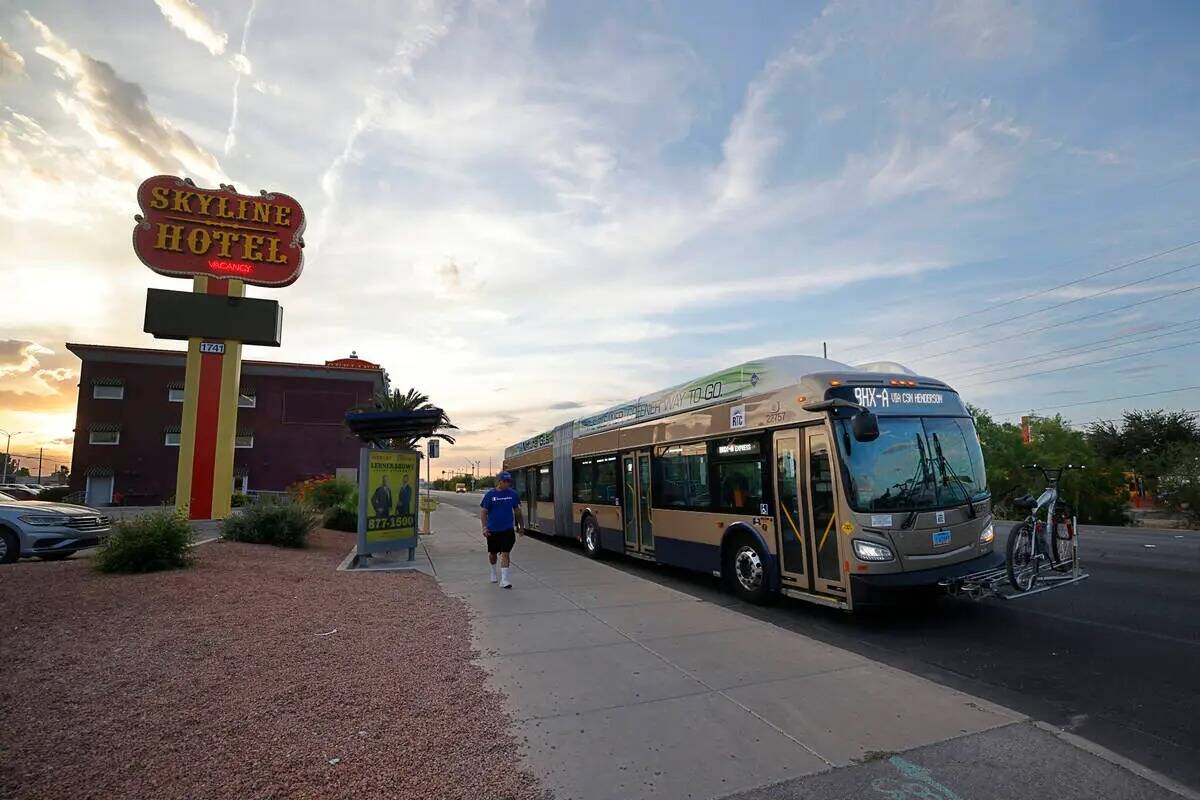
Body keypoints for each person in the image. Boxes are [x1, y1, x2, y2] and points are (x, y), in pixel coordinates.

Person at [480, 471, 523, 588]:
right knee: (493, 553)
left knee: (505, 553)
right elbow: (484, 512)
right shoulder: (490, 495)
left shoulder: (513, 494)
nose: (507, 483)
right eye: (505, 481)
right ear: (499, 482)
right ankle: (493, 571)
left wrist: (521, 526)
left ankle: (504, 580)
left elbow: (518, 511)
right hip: (493, 529)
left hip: (507, 529)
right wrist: (484, 527)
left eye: (509, 481)